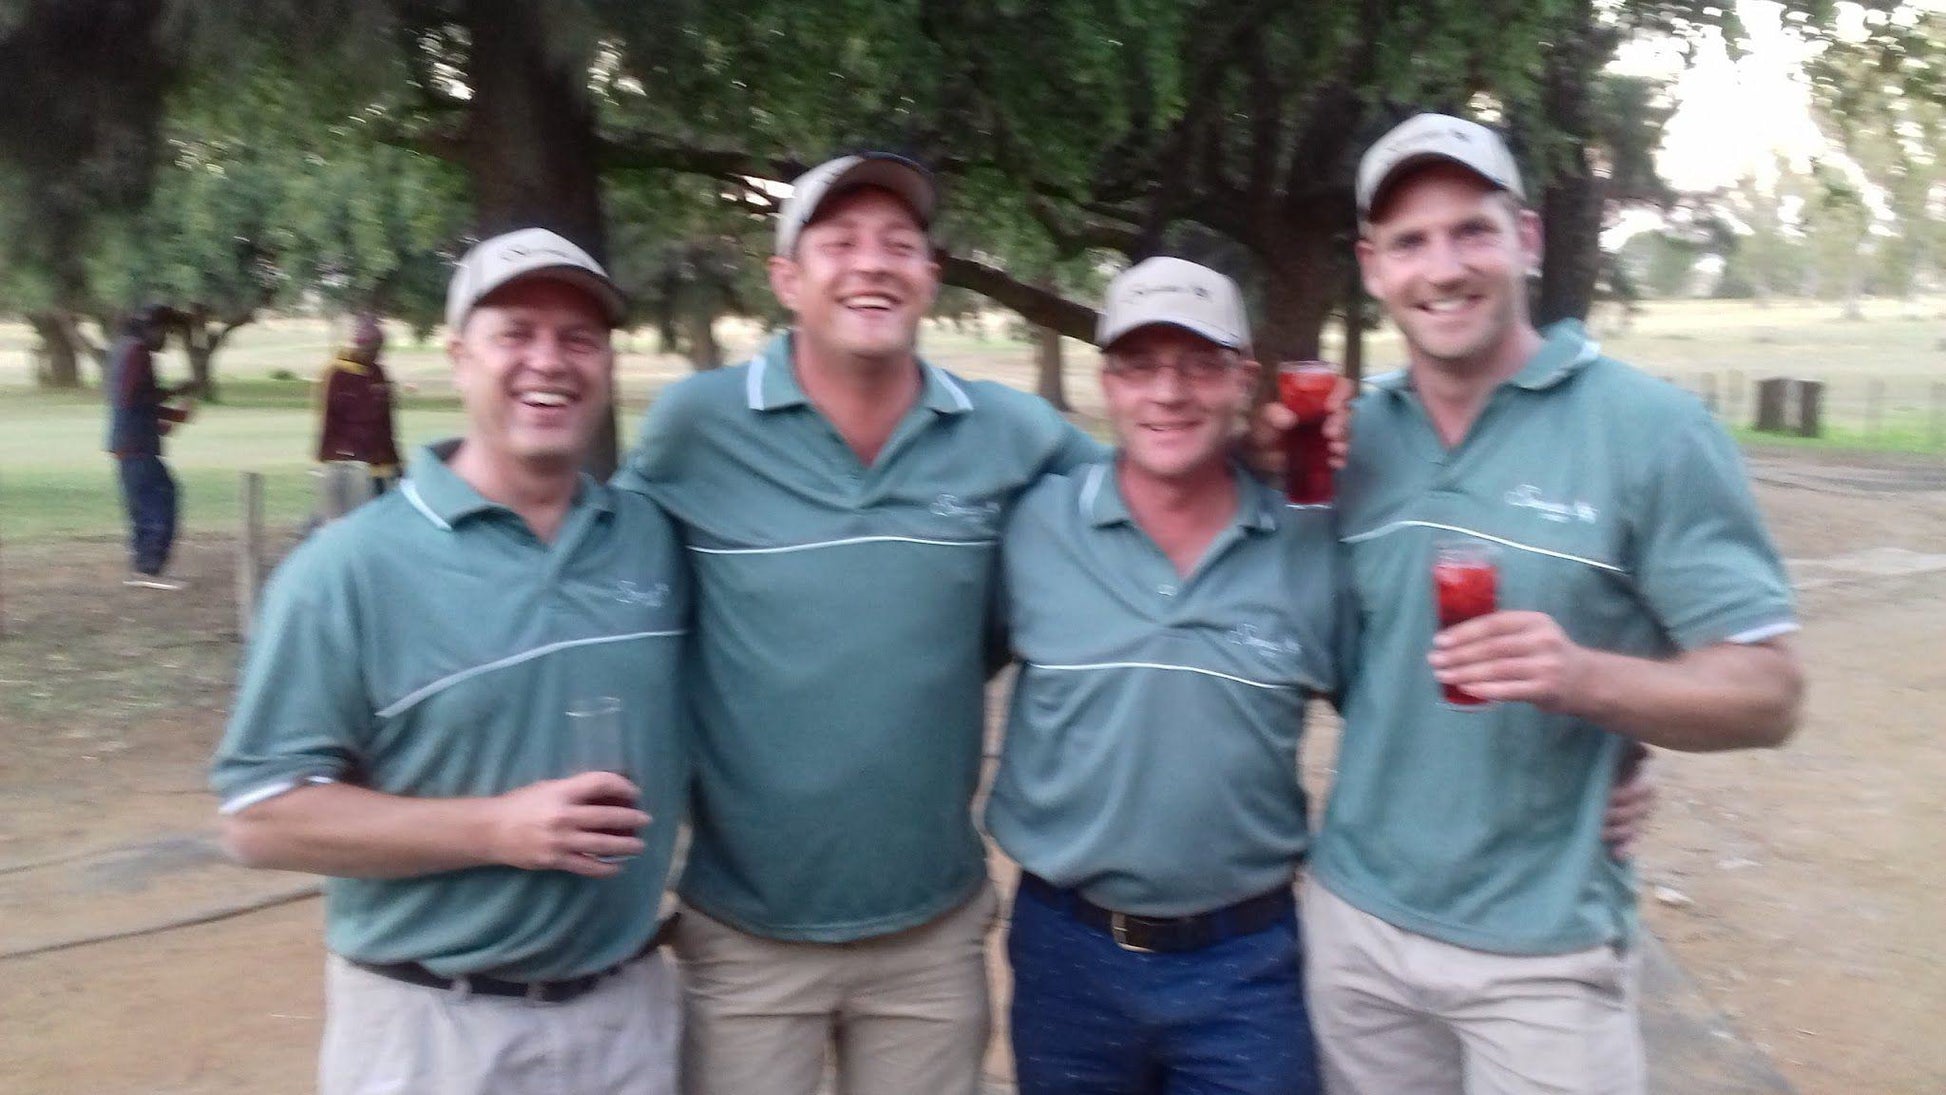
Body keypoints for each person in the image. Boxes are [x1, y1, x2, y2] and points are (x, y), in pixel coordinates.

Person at [1301, 113, 1804, 1094]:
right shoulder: (1354, 443)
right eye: (1409, 242)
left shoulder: (1648, 429)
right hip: (1355, 933)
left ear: (1524, 238)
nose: (1441, 268)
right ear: (1371, 267)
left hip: (1542, 961)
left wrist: (1586, 681)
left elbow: (1767, 693)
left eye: (1470, 231)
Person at [616, 152, 1104, 1095]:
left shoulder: (1011, 432)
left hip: (931, 934)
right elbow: (593, 574)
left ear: (930, 274)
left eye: (899, 244)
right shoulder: (695, 428)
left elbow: (1155, 498)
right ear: (787, 279)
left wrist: (1265, 450)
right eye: (837, 243)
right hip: (747, 939)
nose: (871, 264)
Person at [211, 228, 689, 1095]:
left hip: (629, 1019)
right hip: (433, 1032)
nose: (551, 360)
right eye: (516, 332)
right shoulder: (347, 570)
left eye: (579, 337)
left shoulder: (650, 540)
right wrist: (494, 828)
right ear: (459, 355)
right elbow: (259, 816)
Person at [987, 257, 1339, 1094]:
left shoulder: (1310, 545)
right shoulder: (1034, 526)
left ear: (1244, 380)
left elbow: (1398, 701)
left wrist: (1609, 762)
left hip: (1249, 959)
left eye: (1200, 364)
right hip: (1067, 950)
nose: (1169, 393)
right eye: (1140, 364)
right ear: (1107, 382)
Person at [104, 304, 195, 589]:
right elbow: (136, 400)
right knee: (162, 497)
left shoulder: (123, 348)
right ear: (153, 328)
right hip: (137, 443)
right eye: (166, 333)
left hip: (128, 442)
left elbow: (136, 399)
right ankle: (150, 568)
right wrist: (173, 406)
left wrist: (172, 411)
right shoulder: (137, 352)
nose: (166, 341)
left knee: (142, 505)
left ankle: (143, 566)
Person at [315, 312, 403, 498]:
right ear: (359, 345)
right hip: (347, 465)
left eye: (379, 349)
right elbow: (328, 418)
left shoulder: (378, 372)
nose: (377, 355)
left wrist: (396, 460)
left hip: (380, 465)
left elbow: (387, 421)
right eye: (372, 349)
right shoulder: (336, 373)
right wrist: (332, 455)